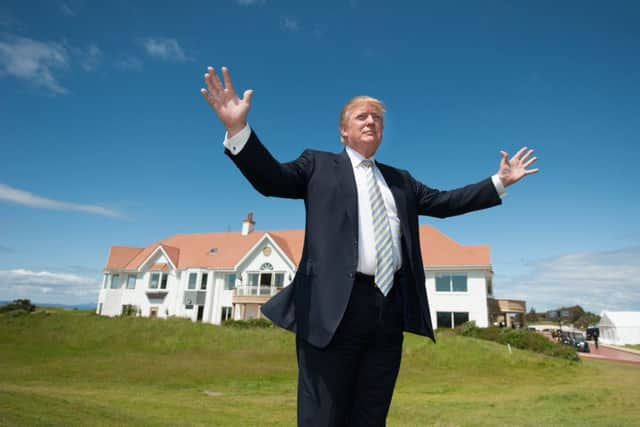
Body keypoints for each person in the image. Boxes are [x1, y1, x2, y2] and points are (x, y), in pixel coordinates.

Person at [200, 66, 539, 426]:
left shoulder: (400, 181)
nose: (371, 121)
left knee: (371, 413)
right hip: (330, 309)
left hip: (387, 309)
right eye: (362, 116)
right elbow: (271, 179)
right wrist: (237, 129)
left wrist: (498, 182)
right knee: (323, 415)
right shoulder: (318, 165)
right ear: (343, 131)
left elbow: (445, 203)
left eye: (377, 118)